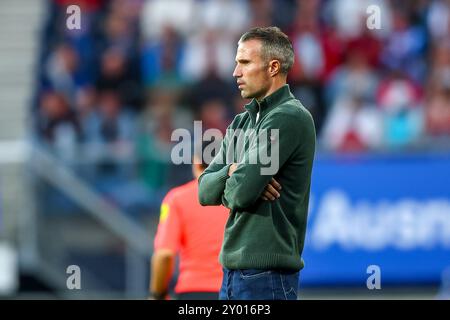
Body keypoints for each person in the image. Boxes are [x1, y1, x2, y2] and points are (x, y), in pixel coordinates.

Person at [198, 26, 316, 300]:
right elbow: (204, 191)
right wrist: (232, 170)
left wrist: (239, 180)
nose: (235, 73)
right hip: (232, 273)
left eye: (244, 62)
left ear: (273, 67)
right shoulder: (242, 121)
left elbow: (241, 193)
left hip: (266, 277)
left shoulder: (288, 117)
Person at [149, 141, 229, 300]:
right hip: (234, 290)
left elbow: (164, 254)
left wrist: (157, 294)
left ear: (196, 162)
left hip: (193, 291)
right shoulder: (240, 197)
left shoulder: (177, 199)